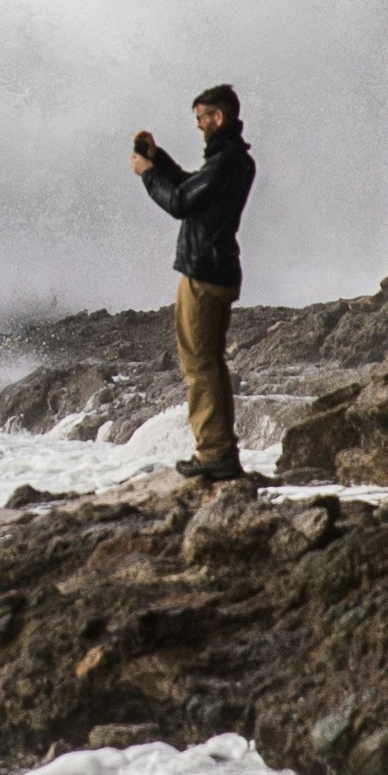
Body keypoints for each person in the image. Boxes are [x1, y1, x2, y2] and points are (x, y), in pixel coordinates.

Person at [125, 83, 255, 480]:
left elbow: (180, 202)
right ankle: (220, 452)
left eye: (201, 117)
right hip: (215, 271)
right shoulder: (229, 161)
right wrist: (159, 158)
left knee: (200, 366)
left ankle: (214, 453)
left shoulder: (227, 162)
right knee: (207, 364)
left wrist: (148, 175)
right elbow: (189, 188)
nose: (199, 126)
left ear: (218, 117)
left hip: (205, 275)